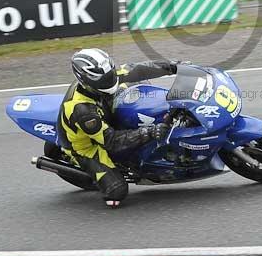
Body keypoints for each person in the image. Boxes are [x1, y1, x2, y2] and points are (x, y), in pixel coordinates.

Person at [57, 48, 178, 207]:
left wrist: (174, 66)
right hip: (88, 147)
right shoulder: (83, 111)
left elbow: (139, 69)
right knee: (117, 192)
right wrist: (149, 132)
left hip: (104, 113)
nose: (110, 80)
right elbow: (111, 141)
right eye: (105, 79)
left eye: (111, 75)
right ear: (88, 80)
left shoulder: (107, 76)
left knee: (137, 85)